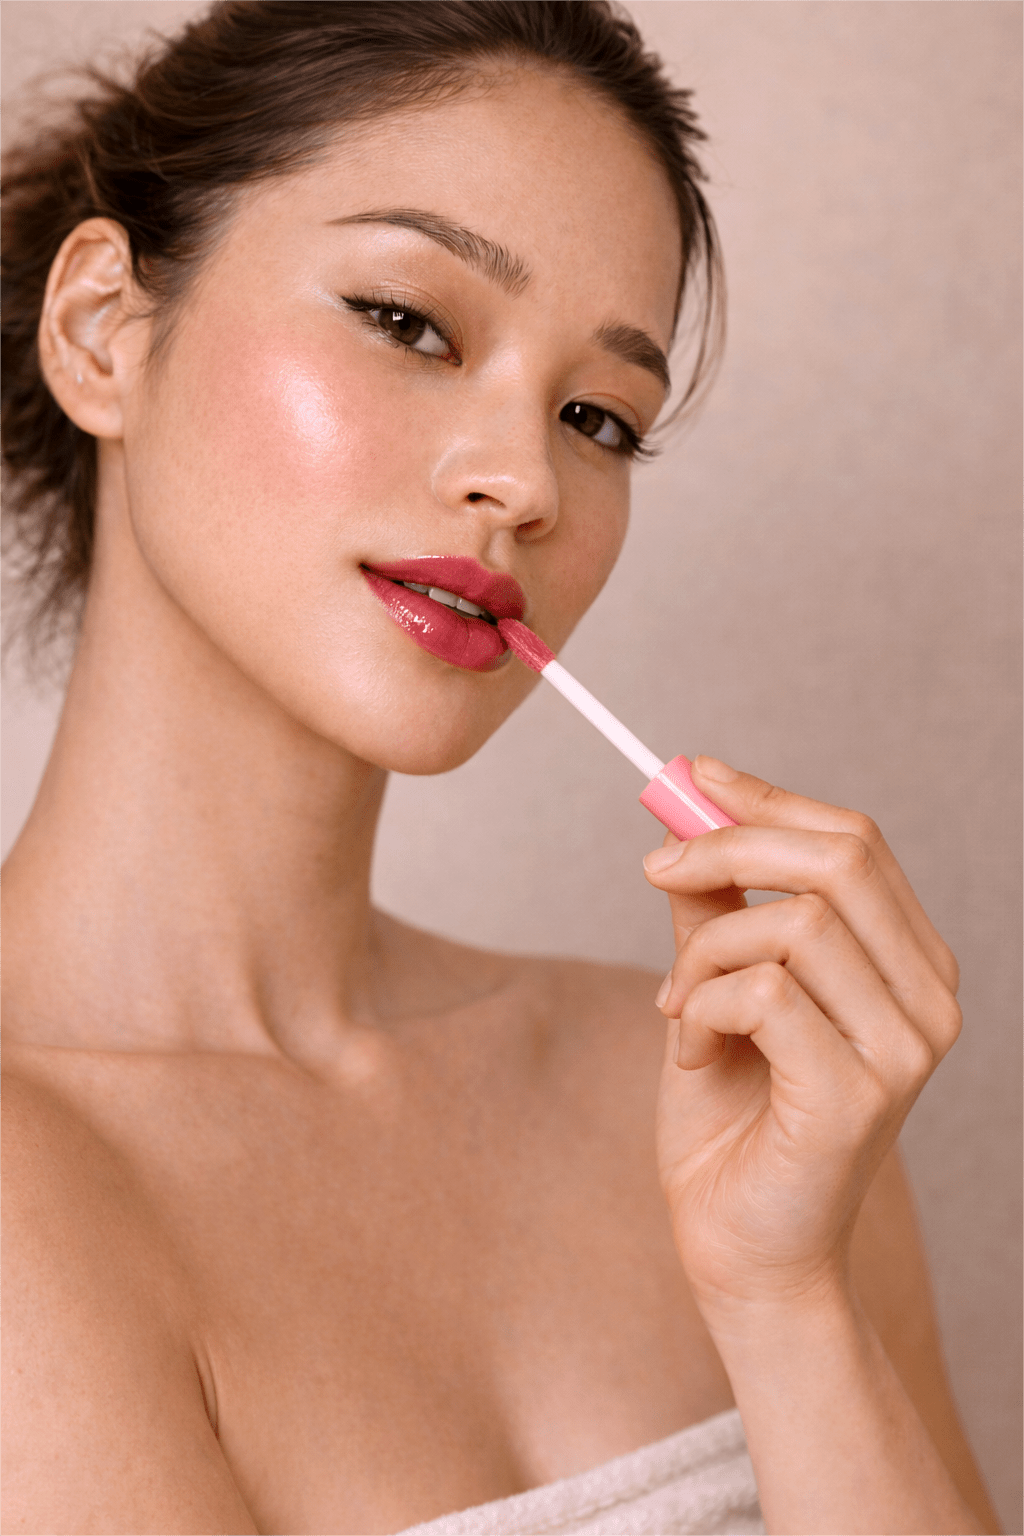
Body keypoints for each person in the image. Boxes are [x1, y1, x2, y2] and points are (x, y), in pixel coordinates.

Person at [0, 2, 1002, 1531]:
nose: (527, 481)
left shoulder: (726, 1097)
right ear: (101, 332)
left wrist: (789, 1293)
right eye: (410, 323)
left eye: (598, 416)